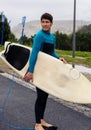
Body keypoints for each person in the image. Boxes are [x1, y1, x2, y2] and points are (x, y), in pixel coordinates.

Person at [23, 13, 67, 130]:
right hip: (38, 69)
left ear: (51, 23)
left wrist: (58, 58)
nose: (45, 24)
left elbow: (51, 52)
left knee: (44, 96)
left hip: (47, 70)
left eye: (47, 22)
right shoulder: (39, 36)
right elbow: (34, 53)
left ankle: (41, 120)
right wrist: (31, 71)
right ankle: (37, 124)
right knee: (40, 96)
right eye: (43, 21)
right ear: (41, 23)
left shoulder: (52, 37)